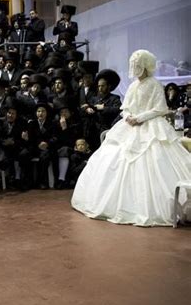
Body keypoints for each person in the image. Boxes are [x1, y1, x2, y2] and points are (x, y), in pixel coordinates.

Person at [71, 50, 191, 226]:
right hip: (129, 126)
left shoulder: (155, 84)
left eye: (137, 65)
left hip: (150, 126)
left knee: (154, 158)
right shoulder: (133, 86)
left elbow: (160, 109)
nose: (134, 68)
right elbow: (126, 106)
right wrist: (128, 116)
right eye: (133, 65)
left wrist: (140, 118)